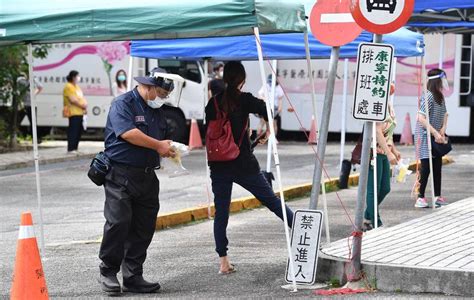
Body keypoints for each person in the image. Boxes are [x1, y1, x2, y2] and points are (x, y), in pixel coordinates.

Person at [205, 61, 293, 274]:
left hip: (218, 165)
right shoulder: (244, 99)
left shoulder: (213, 103)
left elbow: (215, 133)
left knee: (222, 212)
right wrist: (265, 130)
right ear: (242, 80)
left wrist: (247, 136)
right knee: (271, 200)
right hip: (243, 163)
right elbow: (268, 111)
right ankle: (301, 228)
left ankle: (223, 262)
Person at [98, 67, 177, 294]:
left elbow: (159, 139)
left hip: (146, 176)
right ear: (149, 87)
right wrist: (158, 145)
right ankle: (108, 271)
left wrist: (169, 148)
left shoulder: (157, 110)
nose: (162, 98)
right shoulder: (122, 104)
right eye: (161, 93)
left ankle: (133, 275)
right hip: (119, 174)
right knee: (118, 222)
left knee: (144, 227)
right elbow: (128, 133)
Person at [363, 83, 401, 230]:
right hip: (374, 152)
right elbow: (378, 132)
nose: (392, 88)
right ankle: (375, 221)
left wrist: (394, 150)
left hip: (384, 152)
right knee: (374, 189)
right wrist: (389, 152)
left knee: (385, 188)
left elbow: (388, 133)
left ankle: (367, 214)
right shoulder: (377, 105)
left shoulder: (389, 106)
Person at [414, 69, 449, 208]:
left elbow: (446, 114)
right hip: (424, 135)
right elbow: (420, 118)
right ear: (437, 80)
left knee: (437, 166)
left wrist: (443, 129)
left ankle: (437, 196)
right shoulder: (427, 96)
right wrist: (435, 133)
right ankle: (420, 197)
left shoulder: (440, 96)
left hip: (436, 135)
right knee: (426, 167)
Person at [63, 70, 87, 153]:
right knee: (73, 130)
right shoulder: (68, 86)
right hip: (73, 112)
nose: (78, 78)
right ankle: (71, 148)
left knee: (78, 130)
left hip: (80, 112)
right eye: (77, 76)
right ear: (73, 77)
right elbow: (72, 100)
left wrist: (85, 107)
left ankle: (75, 148)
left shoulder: (76, 87)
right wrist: (82, 105)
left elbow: (81, 97)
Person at [257, 74, 284, 138]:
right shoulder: (265, 86)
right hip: (265, 107)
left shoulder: (278, 87)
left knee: (274, 123)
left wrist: (280, 107)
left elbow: (280, 98)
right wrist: (264, 99)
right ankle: (258, 136)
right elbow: (259, 95)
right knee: (262, 122)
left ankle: (273, 138)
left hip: (275, 108)